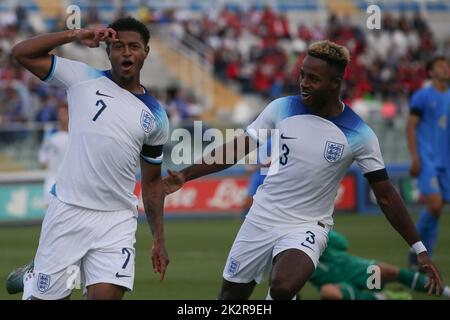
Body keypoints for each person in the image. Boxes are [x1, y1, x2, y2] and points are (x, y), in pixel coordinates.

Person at [163, 40, 443, 300]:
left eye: (314, 79)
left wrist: (419, 249)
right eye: (303, 75)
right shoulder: (281, 107)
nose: (304, 84)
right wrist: (186, 175)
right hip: (261, 217)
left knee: (283, 286)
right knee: (230, 299)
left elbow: (385, 195)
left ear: (335, 84)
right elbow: (236, 148)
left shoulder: (360, 134)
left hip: (309, 225)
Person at [10, 17, 170, 300]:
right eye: (119, 46)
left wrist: (159, 238)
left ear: (146, 51)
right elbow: (22, 52)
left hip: (117, 220)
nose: (127, 53)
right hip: (69, 211)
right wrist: (77, 34)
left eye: (134, 46)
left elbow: (153, 181)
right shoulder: (82, 78)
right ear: (108, 50)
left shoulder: (156, 117)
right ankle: (34, 278)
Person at [310, 230, 450, 300]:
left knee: (386, 271)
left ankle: (446, 291)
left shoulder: (318, 232)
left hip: (356, 270)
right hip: (338, 285)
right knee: (328, 293)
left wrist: (326, 234)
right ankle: (382, 297)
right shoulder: (293, 254)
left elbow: (343, 244)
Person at [406, 56, 450, 267]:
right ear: (431, 72)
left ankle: (422, 255)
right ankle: (418, 252)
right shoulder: (422, 96)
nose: (446, 69)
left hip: (447, 162)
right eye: (441, 66)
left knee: (438, 209)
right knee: (434, 205)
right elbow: (410, 126)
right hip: (428, 160)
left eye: (447, 66)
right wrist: (415, 157)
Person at [38, 102, 69, 206]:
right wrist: (43, 160)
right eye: (60, 113)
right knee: (48, 208)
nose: (61, 116)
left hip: (68, 180)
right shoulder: (51, 133)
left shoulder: (74, 134)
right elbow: (43, 151)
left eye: (64, 113)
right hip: (51, 177)